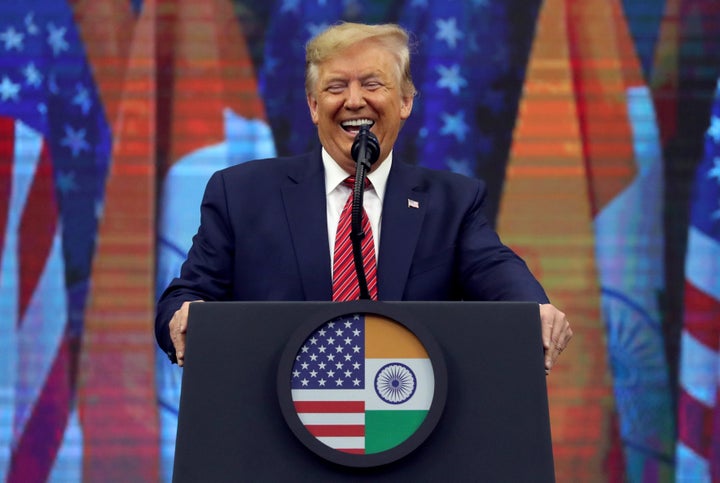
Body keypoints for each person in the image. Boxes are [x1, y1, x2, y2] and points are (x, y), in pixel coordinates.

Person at [155, 22, 572, 371]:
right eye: (336, 87)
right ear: (314, 106)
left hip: (409, 427)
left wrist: (533, 310)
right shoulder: (242, 193)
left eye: (372, 84)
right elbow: (186, 295)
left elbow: (498, 273)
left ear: (406, 101)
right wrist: (185, 315)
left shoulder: (452, 202)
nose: (354, 101)